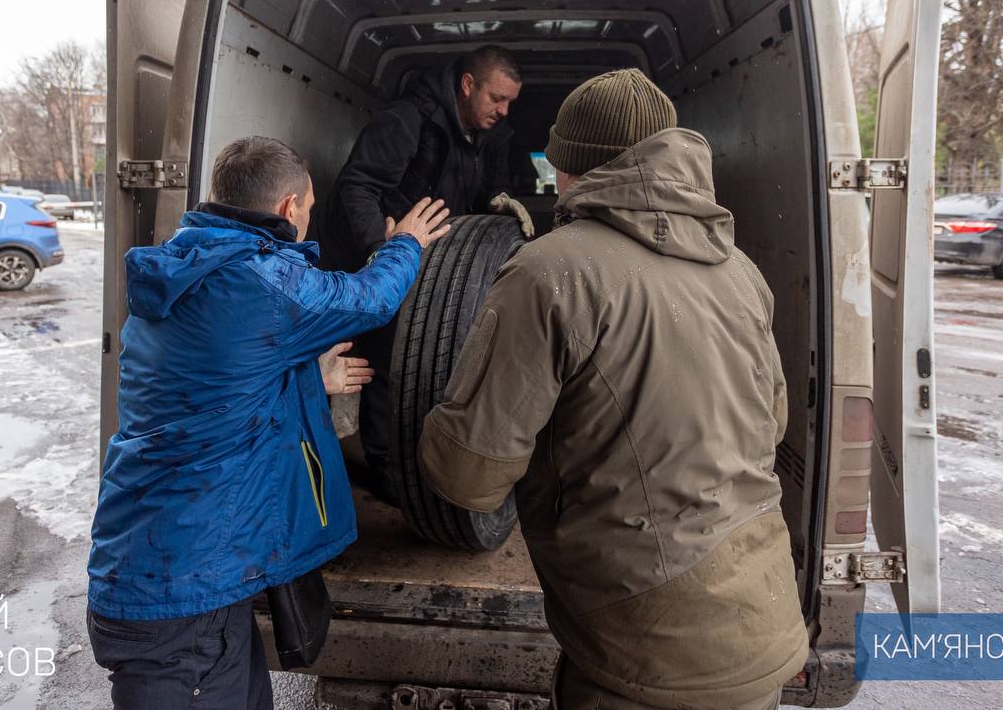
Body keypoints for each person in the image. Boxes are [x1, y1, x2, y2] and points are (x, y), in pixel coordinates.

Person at [418, 70, 807, 709]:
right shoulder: (741, 271)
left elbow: (468, 476)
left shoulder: (551, 272)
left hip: (646, 648)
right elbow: (773, 423)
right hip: (761, 619)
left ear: (569, 166)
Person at [86, 136, 451, 710]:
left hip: (167, 566)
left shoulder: (185, 269)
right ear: (288, 207)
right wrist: (405, 243)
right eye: (309, 208)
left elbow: (212, 388)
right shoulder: (262, 280)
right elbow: (371, 297)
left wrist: (309, 378)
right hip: (182, 595)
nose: (308, 221)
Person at [320, 44, 536, 503]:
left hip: (427, 268)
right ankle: (386, 471)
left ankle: (416, 458)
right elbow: (357, 185)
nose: (504, 110)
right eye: (497, 98)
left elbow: (467, 192)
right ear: (467, 85)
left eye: (510, 102)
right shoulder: (407, 120)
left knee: (424, 361)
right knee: (389, 363)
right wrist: (382, 252)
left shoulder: (475, 134)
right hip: (383, 264)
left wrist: (496, 201)